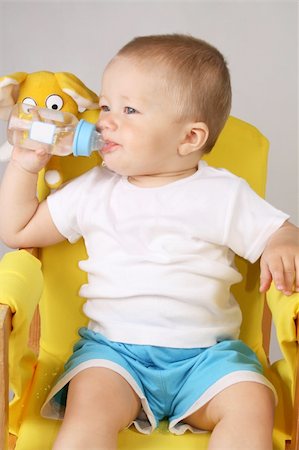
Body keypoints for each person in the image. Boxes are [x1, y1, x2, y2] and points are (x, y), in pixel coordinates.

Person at [0, 34, 298, 450]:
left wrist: (284, 242)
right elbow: (19, 230)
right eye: (105, 106)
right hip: (114, 356)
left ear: (189, 138)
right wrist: (24, 166)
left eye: (129, 110)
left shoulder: (222, 194)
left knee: (253, 401)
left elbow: (278, 231)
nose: (105, 121)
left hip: (208, 358)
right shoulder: (95, 189)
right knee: (89, 408)